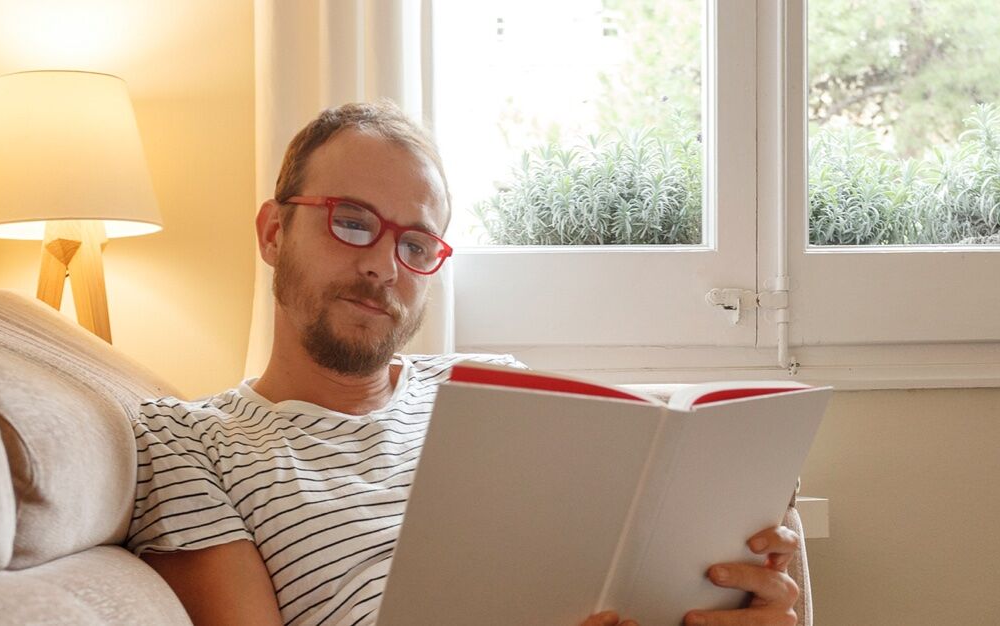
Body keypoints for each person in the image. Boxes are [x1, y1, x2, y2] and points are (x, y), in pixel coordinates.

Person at [127, 101, 805, 626]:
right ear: (275, 232)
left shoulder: (490, 387)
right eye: (352, 221)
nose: (381, 266)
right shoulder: (190, 440)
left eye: (416, 245)